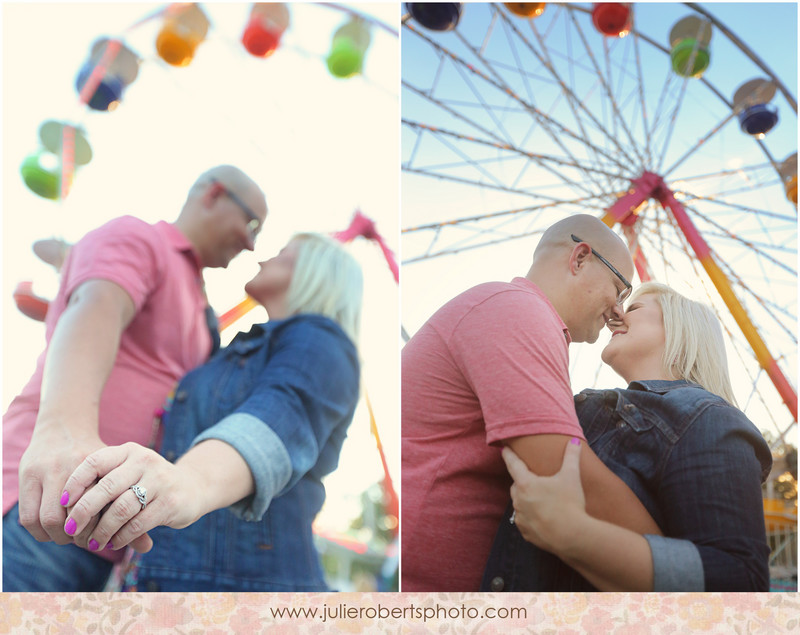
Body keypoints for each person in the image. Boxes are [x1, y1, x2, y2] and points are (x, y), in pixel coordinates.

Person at [3, 165, 268, 591]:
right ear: (214, 194)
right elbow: (96, 308)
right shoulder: (142, 239)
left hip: (102, 531)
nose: (252, 243)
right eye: (251, 222)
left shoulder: (200, 306)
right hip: (44, 504)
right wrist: (63, 430)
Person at [60, 232, 363, 591]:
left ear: (316, 273)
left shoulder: (322, 341)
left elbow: (281, 416)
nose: (263, 258)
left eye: (283, 254)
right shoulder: (229, 351)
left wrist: (188, 482)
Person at [401, 214, 663, 591]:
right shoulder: (516, 311)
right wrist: (676, 565)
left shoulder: (518, 313)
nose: (618, 312)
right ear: (579, 259)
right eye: (620, 290)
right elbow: (565, 469)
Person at [483, 282, 773, 591]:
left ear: (680, 326)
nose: (614, 316)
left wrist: (572, 535)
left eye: (633, 307)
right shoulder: (592, 408)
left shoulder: (709, 418)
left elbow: (741, 583)